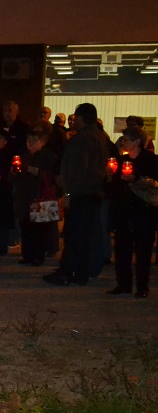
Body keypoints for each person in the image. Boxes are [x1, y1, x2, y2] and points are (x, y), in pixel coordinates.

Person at [44, 103, 108, 287]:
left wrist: (67, 191)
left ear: (82, 118)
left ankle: (72, 272)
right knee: (84, 234)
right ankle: (77, 271)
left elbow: (77, 169)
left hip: (81, 193)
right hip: (92, 192)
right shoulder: (98, 137)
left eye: (76, 117)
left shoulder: (83, 139)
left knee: (75, 235)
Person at [106, 126, 158, 298]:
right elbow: (112, 187)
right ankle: (123, 284)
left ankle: (142, 287)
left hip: (144, 212)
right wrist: (109, 176)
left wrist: (135, 179)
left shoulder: (151, 160)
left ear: (137, 142)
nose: (123, 142)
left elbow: (154, 185)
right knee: (122, 249)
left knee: (143, 251)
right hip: (123, 212)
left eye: (126, 139)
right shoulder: (121, 160)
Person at [12, 123, 60, 266]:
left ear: (42, 142)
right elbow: (14, 178)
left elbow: (55, 178)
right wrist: (13, 173)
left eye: (35, 140)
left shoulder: (49, 157)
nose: (31, 142)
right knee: (26, 227)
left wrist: (39, 172)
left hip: (41, 197)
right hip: (24, 197)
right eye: (29, 140)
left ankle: (38, 256)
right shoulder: (22, 156)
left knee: (40, 229)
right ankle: (27, 255)